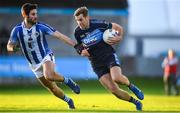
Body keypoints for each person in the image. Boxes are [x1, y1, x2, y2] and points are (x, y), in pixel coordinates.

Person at [6, 3, 80, 109]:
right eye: (33, 14)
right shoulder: (17, 30)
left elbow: (59, 35)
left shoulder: (41, 27)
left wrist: (76, 46)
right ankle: (69, 101)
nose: (36, 16)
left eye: (36, 13)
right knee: (52, 88)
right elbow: (9, 45)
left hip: (45, 56)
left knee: (49, 75)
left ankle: (68, 81)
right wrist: (12, 48)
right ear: (24, 15)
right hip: (33, 64)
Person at [73, 6, 144, 111]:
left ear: (87, 17)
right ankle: (136, 102)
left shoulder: (99, 24)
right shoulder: (77, 32)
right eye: (77, 20)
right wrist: (80, 51)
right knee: (114, 91)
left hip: (108, 56)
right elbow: (79, 45)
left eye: (80, 20)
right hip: (96, 63)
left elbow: (118, 27)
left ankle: (131, 86)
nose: (79, 23)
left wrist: (119, 37)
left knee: (117, 78)